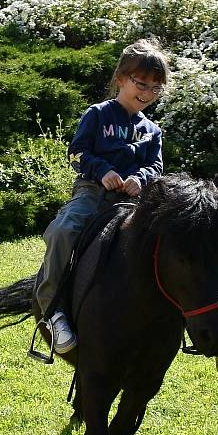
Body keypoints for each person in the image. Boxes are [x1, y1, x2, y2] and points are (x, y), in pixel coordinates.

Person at [36, 39, 169, 353]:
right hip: (93, 192)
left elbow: (156, 165)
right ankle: (50, 309)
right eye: (141, 83)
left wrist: (141, 177)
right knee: (63, 230)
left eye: (155, 88)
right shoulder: (97, 115)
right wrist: (102, 170)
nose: (147, 93)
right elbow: (77, 153)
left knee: (168, 243)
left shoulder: (152, 130)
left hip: (132, 200)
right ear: (121, 79)